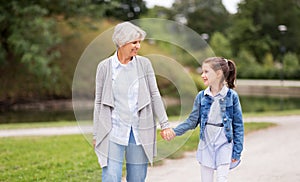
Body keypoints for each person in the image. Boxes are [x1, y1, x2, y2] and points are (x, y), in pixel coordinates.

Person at [92, 22, 173, 182]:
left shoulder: (144, 64)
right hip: (112, 129)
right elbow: (99, 102)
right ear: (122, 42)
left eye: (139, 42)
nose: (138, 46)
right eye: (134, 42)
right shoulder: (105, 67)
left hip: (138, 129)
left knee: (137, 178)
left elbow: (155, 95)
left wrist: (165, 124)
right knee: (111, 176)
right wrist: (96, 133)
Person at [162, 57, 244, 182]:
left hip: (224, 143)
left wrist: (237, 151)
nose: (202, 75)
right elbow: (192, 121)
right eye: (202, 71)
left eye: (206, 72)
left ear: (218, 74)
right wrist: (175, 131)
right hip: (206, 144)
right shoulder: (202, 96)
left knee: (222, 178)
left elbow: (238, 126)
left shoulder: (232, 96)